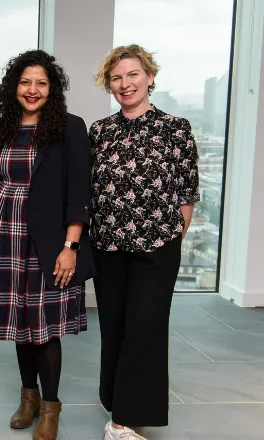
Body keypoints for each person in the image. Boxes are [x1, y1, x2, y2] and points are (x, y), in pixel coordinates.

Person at [0, 50, 94, 440]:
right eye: (25, 82)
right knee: (20, 324)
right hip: (5, 239)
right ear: (14, 87)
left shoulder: (70, 128)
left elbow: (80, 191)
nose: (32, 90)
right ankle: (28, 399)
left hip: (48, 244)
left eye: (41, 83)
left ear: (52, 88)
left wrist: (70, 246)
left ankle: (50, 407)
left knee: (45, 329)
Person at [89, 44, 200, 440]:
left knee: (145, 328)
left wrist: (169, 239)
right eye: (117, 77)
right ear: (110, 85)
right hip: (108, 249)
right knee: (115, 327)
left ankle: (122, 422)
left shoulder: (176, 128)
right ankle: (116, 400)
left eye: (133, 74)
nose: (125, 83)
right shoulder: (99, 132)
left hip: (157, 249)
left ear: (150, 76)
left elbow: (186, 195)